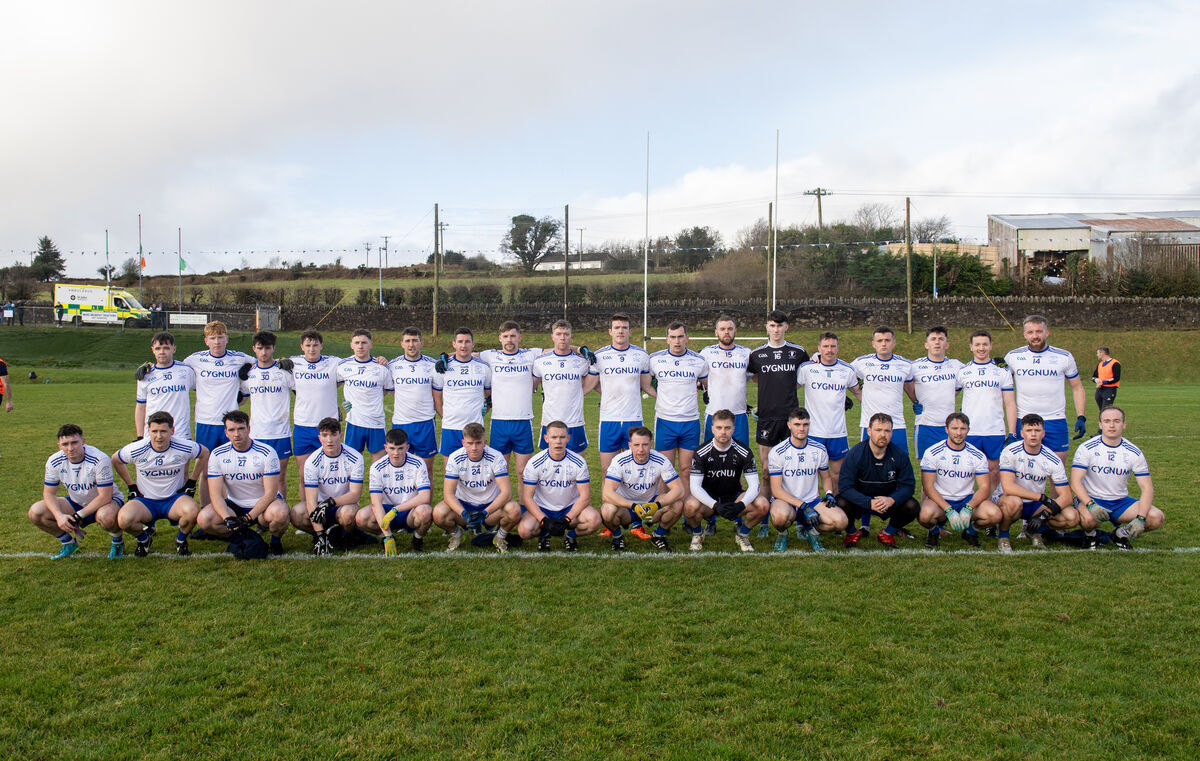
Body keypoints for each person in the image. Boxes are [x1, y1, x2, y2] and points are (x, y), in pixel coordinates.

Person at [112, 411, 208, 557]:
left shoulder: (184, 446)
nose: (159, 436)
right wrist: (131, 485)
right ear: (148, 431)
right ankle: (144, 540)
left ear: (172, 430)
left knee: (192, 511)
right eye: (154, 431)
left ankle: (181, 541)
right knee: (124, 519)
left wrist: (192, 480)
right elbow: (116, 460)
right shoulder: (137, 449)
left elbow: (204, 453)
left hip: (174, 499)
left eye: (163, 431)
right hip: (146, 501)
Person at [195, 410, 291, 555]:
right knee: (204, 519)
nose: (237, 434)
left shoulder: (266, 452)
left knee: (280, 513)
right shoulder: (217, 454)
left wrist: (248, 518)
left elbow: (271, 493)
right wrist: (227, 518)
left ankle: (275, 542)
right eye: (231, 430)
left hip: (264, 505)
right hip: (235, 504)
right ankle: (245, 537)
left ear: (249, 429)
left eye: (241, 429)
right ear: (226, 433)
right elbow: (215, 495)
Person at [1071, 406, 1163, 550]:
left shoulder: (1134, 452)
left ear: (1124, 424)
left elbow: (1147, 488)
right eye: (1107, 421)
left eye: (1116, 421)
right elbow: (1075, 482)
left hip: (1120, 502)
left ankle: (1120, 534)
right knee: (1089, 519)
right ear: (1100, 425)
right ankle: (1090, 535)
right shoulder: (1086, 448)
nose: (1112, 425)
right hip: (1093, 499)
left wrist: (1141, 518)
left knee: (1156, 517)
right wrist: (1090, 504)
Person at [28, 424, 125, 559]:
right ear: (59, 445)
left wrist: (78, 516)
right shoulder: (53, 461)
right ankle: (68, 543)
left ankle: (117, 542)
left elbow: (105, 497)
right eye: (65, 444)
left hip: (106, 502)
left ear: (83, 441)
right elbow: (49, 494)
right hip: (77, 502)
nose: (70, 448)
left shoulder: (100, 459)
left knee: (106, 516)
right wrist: (59, 516)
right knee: (36, 512)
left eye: (74, 443)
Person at [1004, 315, 1087, 464]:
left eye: (1039, 331)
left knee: (1058, 473)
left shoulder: (1064, 356)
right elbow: (1001, 388)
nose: (1035, 336)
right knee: (1024, 472)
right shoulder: (1012, 357)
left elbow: (1077, 387)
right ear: (1024, 335)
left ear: (1047, 332)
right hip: (1024, 421)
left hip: (1055, 420)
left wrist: (1081, 416)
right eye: (1030, 332)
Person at [682, 409, 769, 552]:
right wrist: (715, 505)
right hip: (709, 501)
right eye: (719, 428)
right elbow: (695, 487)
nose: (723, 432)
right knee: (689, 506)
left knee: (763, 504)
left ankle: (743, 534)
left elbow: (754, 486)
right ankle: (697, 534)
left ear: (733, 429)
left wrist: (741, 505)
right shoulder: (701, 452)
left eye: (727, 428)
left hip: (734, 498)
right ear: (712, 429)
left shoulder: (744, 452)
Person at [747, 310, 810, 505]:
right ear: (766, 327)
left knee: (795, 470)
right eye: (772, 325)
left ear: (786, 327)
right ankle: (765, 515)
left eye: (779, 325)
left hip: (792, 419)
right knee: (766, 470)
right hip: (767, 418)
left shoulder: (798, 352)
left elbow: (805, 376)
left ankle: (797, 512)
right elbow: (754, 378)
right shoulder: (756, 355)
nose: (776, 329)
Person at [916, 412, 1002, 549]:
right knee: (924, 515)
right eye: (954, 428)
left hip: (965, 500)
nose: (959, 433)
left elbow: (985, 487)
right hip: (940, 501)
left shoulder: (977, 455)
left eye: (963, 429)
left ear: (968, 430)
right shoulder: (933, 452)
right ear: (946, 429)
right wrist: (948, 509)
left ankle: (970, 531)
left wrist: (969, 507)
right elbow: (928, 486)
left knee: (995, 515)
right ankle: (934, 531)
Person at [996, 414, 1079, 553]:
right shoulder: (1010, 451)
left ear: (1043, 433)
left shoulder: (1052, 459)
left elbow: (1066, 496)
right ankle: (1003, 537)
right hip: (1011, 500)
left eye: (1037, 430)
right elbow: (1008, 487)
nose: (1033, 435)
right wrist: (1041, 497)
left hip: (1036, 506)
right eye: (1029, 431)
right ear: (1022, 433)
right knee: (1013, 503)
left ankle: (1036, 532)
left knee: (1072, 517)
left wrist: (1044, 515)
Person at [767, 408, 846, 552]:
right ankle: (783, 533)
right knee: (779, 517)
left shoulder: (819, 449)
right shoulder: (778, 452)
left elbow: (826, 477)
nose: (801, 429)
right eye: (797, 424)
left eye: (805, 424)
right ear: (789, 425)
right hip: (786, 502)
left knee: (841, 522)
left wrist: (829, 493)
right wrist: (802, 506)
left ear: (809, 425)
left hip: (812, 501)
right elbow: (776, 490)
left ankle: (811, 529)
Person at [433, 422, 520, 553]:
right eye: (470, 443)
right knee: (438, 513)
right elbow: (448, 493)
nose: (474, 448)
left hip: (490, 507)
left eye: (478, 443)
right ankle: (457, 535)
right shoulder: (455, 458)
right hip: (464, 506)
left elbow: (506, 493)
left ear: (484, 442)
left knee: (514, 510)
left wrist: (485, 512)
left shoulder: (496, 457)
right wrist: (463, 513)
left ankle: (499, 537)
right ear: (463, 442)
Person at [837, 412, 919, 548]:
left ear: (892, 432)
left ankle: (887, 533)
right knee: (840, 502)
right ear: (869, 431)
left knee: (912, 506)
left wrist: (891, 499)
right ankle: (851, 533)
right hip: (861, 501)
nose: (883, 435)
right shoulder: (855, 454)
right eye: (878, 430)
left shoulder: (899, 455)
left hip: (886, 502)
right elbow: (845, 487)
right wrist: (868, 502)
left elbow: (909, 486)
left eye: (887, 431)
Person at [600, 426, 685, 552]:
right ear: (630, 445)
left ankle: (658, 535)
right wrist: (633, 506)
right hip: (627, 508)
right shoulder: (619, 460)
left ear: (651, 444)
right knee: (607, 510)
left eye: (645, 445)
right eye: (636, 445)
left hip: (650, 507)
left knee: (677, 504)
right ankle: (617, 536)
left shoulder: (661, 460)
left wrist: (657, 504)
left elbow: (679, 490)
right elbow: (607, 494)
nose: (641, 449)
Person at [520, 420, 600, 552]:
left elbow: (585, 497)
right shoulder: (534, 463)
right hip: (543, 508)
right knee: (524, 530)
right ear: (546, 438)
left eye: (562, 437)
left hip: (569, 508)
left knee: (594, 520)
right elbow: (527, 497)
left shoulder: (578, 462)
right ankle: (544, 534)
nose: (558, 441)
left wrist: (567, 519)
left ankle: (570, 536)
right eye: (554, 437)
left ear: (568, 438)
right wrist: (544, 521)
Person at [591, 313, 654, 476]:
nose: (621, 331)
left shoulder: (641, 355)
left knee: (634, 470)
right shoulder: (599, 356)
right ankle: (609, 502)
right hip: (608, 420)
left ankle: (631, 502)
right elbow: (590, 384)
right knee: (607, 470)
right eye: (617, 328)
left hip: (633, 419)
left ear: (630, 331)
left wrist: (665, 397)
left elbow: (646, 385)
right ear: (610, 331)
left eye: (624, 328)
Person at [649, 321, 708, 497]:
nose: (677, 341)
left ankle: (686, 511)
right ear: (667, 339)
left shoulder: (699, 361)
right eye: (673, 337)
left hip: (690, 422)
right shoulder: (655, 359)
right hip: (665, 421)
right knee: (665, 470)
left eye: (680, 337)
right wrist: (660, 396)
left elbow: (707, 385)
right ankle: (662, 510)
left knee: (686, 469)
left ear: (687, 338)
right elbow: (645, 384)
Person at [796, 331, 859, 493]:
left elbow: (859, 393)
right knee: (811, 476)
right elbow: (789, 391)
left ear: (838, 348)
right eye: (825, 346)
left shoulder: (847, 370)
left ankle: (835, 509)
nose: (829, 350)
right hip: (813, 432)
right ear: (819, 348)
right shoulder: (807, 368)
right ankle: (813, 508)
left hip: (837, 433)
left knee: (837, 475)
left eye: (832, 346)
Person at [291, 417, 364, 556]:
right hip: (320, 508)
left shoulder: (355, 457)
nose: (329, 440)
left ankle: (344, 536)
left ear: (340, 435)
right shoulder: (312, 461)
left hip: (343, 505)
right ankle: (321, 536)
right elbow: (311, 501)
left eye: (333, 434)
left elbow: (355, 495)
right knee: (297, 513)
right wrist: (319, 534)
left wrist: (331, 502)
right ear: (319, 438)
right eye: (325, 435)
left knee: (348, 515)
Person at [479, 321, 544, 475]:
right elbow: (465, 353)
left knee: (524, 472)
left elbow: (558, 349)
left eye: (513, 336)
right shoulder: (490, 355)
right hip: (499, 422)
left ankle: (523, 501)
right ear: (500, 338)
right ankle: (503, 500)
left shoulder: (530, 354)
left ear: (519, 337)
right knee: (500, 472)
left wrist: (580, 349)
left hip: (523, 421)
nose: (509, 340)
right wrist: (444, 357)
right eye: (506, 336)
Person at [956, 330, 1016, 494]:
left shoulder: (1001, 371)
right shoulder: (963, 371)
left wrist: (1012, 433)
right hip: (970, 430)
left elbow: (1010, 403)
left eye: (984, 344)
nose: (981, 348)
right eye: (977, 345)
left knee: (993, 469)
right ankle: (968, 503)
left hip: (994, 429)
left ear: (991, 346)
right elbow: (949, 397)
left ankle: (989, 503)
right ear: (971, 347)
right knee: (967, 470)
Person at [357, 428, 433, 554]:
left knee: (426, 511)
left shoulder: (418, 463)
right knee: (361, 517)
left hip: (409, 511)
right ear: (385, 447)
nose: (396, 453)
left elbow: (425, 497)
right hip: (386, 511)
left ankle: (417, 539)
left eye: (400, 448)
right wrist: (387, 535)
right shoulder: (377, 467)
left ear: (407, 447)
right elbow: (376, 502)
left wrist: (397, 509)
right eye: (392, 448)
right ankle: (386, 538)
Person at [239, 331, 295, 498]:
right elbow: (241, 401)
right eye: (260, 348)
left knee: (279, 478)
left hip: (281, 433)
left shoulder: (284, 372)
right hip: (257, 434)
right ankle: (259, 517)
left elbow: (303, 393)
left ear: (274, 349)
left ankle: (281, 516)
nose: (264, 352)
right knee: (257, 478)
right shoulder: (249, 375)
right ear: (254, 349)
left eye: (268, 348)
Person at [183, 321, 253, 455]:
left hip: (231, 422)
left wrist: (248, 367)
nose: (217, 342)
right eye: (212, 338)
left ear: (226, 339)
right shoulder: (195, 359)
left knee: (231, 463)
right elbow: (176, 369)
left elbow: (262, 363)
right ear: (206, 341)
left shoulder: (238, 358)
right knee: (206, 463)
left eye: (220, 337)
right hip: (205, 420)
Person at [290, 329, 343, 503]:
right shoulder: (292, 363)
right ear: (302, 347)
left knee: (331, 475)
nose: (312, 349)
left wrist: (379, 360)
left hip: (328, 428)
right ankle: (307, 515)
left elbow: (358, 365)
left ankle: (332, 512)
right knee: (304, 475)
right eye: (308, 345)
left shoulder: (334, 363)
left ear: (321, 346)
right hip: (303, 426)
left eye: (315, 345)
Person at [851, 326, 916, 454]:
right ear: (873, 344)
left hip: (896, 425)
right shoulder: (861, 363)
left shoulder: (905, 365)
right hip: (870, 425)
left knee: (899, 464)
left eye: (887, 340)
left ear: (894, 342)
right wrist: (858, 394)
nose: (884, 343)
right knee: (869, 466)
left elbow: (911, 391)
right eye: (880, 341)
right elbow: (844, 374)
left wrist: (917, 402)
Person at [532, 320, 594, 452]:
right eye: (558, 334)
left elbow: (594, 380)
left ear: (571, 336)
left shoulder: (581, 361)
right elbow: (531, 387)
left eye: (566, 334)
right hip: (549, 422)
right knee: (548, 467)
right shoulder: (540, 361)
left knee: (578, 465)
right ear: (552, 336)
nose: (562, 337)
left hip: (575, 422)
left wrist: (580, 392)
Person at [432, 326, 491, 457]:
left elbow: (489, 397)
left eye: (467, 341)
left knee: (475, 471)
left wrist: (481, 414)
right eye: (460, 342)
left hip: (475, 428)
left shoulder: (483, 368)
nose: (463, 345)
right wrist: (446, 417)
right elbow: (436, 399)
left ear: (473, 344)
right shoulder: (443, 367)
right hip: (450, 428)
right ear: (454, 344)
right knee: (450, 471)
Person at [388, 326, 438, 477]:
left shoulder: (433, 365)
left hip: (425, 423)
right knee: (400, 470)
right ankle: (403, 501)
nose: (411, 345)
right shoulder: (392, 366)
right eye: (408, 341)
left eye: (415, 341)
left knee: (426, 471)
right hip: (401, 423)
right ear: (402, 344)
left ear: (421, 343)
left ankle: (425, 502)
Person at [338, 328, 394, 462]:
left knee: (379, 466)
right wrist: (339, 404)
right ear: (351, 345)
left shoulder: (381, 368)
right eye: (356, 343)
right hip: (353, 423)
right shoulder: (343, 366)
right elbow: (330, 386)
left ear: (371, 344)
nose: (360, 346)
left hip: (376, 423)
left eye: (364, 342)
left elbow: (388, 389)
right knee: (351, 466)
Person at [910, 326, 963, 458]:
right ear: (926, 345)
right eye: (933, 339)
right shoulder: (915, 366)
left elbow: (960, 387)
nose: (937, 342)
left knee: (950, 466)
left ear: (947, 344)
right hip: (925, 425)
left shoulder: (957, 365)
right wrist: (914, 399)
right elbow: (905, 383)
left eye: (941, 339)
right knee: (926, 468)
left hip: (950, 426)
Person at [700, 315, 752, 447]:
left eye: (730, 328)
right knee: (710, 458)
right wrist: (706, 388)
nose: (726, 332)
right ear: (716, 332)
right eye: (722, 329)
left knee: (740, 457)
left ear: (736, 331)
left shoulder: (746, 354)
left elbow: (755, 377)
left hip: (739, 414)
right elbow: (699, 377)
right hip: (714, 413)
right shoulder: (706, 353)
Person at [135, 332, 196, 439]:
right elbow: (141, 407)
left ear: (174, 349)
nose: (162, 352)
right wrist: (140, 436)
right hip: (153, 434)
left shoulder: (186, 371)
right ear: (153, 350)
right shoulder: (145, 375)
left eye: (166, 348)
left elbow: (204, 391)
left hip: (180, 433)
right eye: (158, 348)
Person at [1091, 346, 1121, 420]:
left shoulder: (1115, 363)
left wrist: (1103, 382)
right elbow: (1093, 377)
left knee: (1105, 411)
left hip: (1109, 390)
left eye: (1098, 353)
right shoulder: (1100, 364)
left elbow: (1116, 378)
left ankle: (1101, 430)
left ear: (1103, 353)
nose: (1097, 355)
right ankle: (1103, 428)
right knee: (1103, 411)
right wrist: (1096, 380)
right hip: (1100, 390)